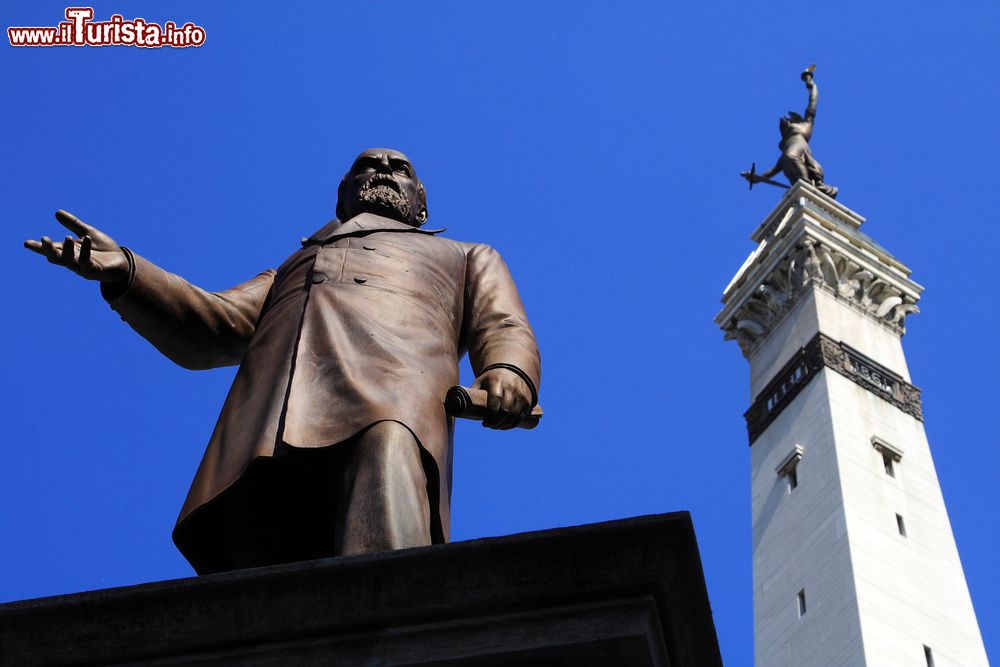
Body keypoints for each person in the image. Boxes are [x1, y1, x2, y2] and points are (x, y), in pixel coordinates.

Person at [24, 148, 541, 574]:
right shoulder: (293, 267)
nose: (382, 170)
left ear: (420, 205)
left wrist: (508, 373)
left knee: (385, 539)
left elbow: (503, 326)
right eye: (367, 165)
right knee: (260, 583)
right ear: (341, 197)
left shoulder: (467, 255)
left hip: (394, 403)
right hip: (274, 426)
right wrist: (129, 274)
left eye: (399, 168)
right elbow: (214, 321)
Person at [742, 68, 839, 198]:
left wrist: (810, 81)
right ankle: (803, 188)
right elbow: (773, 171)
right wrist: (756, 178)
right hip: (790, 156)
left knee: (790, 157)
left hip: (798, 149)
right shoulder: (785, 149)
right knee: (788, 161)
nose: (786, 122)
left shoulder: (806, 124)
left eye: (789, 120)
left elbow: (813, 100)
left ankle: (806, 185)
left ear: (795, 120)